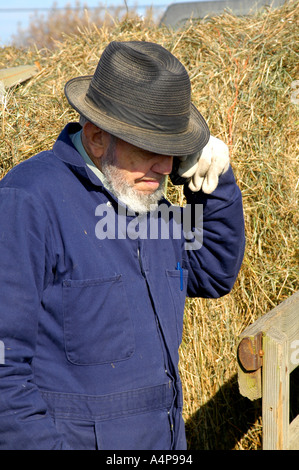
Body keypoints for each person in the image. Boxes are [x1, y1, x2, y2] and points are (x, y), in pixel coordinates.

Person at [0, 41, 245, 450]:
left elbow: (214, 268)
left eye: (174, 150)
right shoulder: (28, 203)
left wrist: (214, 183)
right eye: (150, 147)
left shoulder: (145, 203)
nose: (167, 166)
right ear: (96, 137)